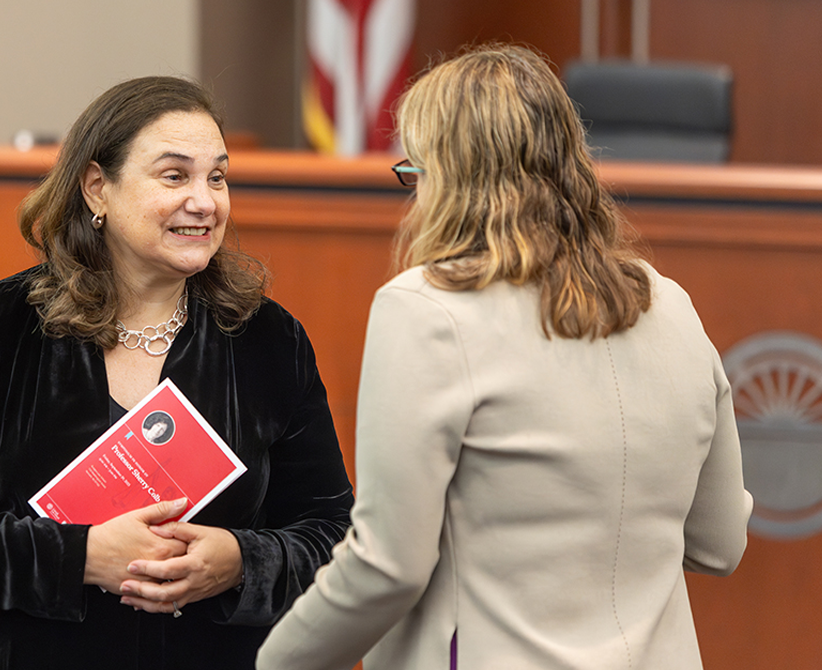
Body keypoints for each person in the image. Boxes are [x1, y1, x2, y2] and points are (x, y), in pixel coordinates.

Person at [255, 44, 753, 670]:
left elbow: (387, 567)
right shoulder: (670, 303)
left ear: (449, 179)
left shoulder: (427, 310)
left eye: (416, 175)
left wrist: (276, 662)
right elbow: (720, 543)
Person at [0, 76, 354, 669]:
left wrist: (240, 561)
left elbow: (331, 536)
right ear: (97, 190)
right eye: (174, 175)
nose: (205, 200)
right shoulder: (4, 325)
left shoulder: (267, 338)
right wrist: (81, 556)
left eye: (216, 176)